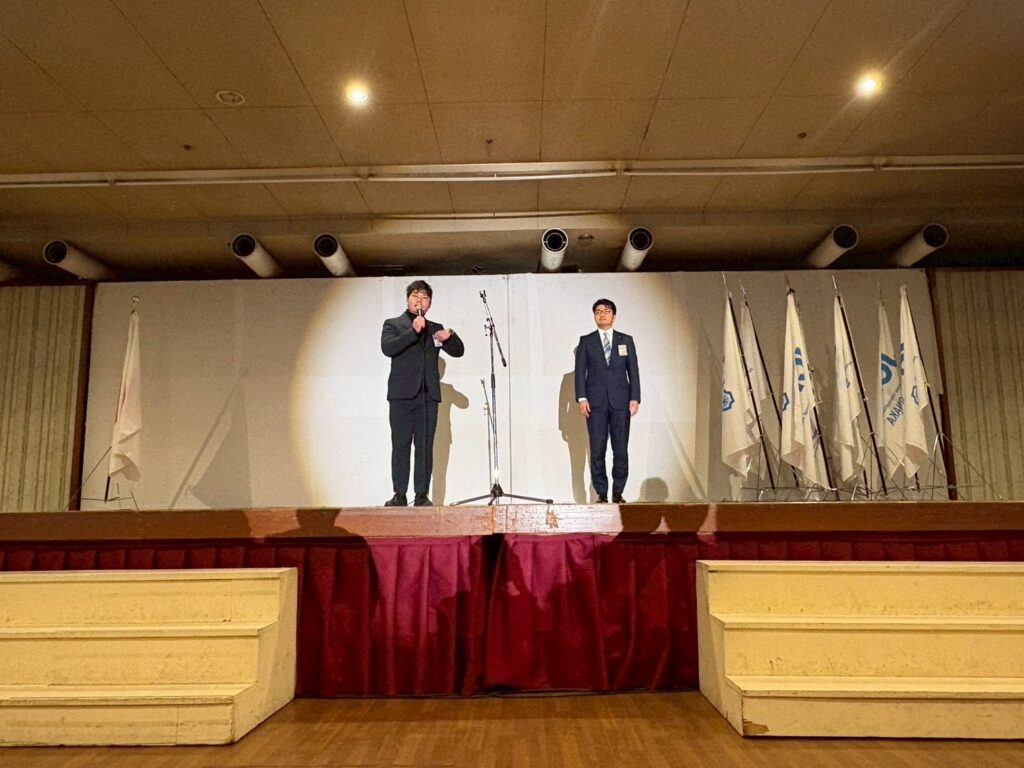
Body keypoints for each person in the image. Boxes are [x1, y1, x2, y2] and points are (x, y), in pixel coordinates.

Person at [381, 280, 464, 507]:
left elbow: (458, 351)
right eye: (415, 296)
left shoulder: (435, 328)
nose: (420, 301)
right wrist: (413, 331)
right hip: (401, 396)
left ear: (430, 303)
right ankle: (399, 494)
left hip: (427, 396)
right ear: (408, 299)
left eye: (425, 297)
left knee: (424, 447)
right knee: (400, 445)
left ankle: (421, 495)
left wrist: (450, 336)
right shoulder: (394, 324)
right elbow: (388, 348)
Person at [575, 298, 640, 503]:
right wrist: (582, 397)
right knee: (597, 450)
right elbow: (580, 372)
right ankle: (601, 493)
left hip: (621, 402)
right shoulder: (586, 341)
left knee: (620, 450)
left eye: (606, 311)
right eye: (598, 311)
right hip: (595, 403)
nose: (602, 314)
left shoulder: (626, 340)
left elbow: (633, 371)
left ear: (614, 315)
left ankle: (618, 492)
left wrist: (635, 397)